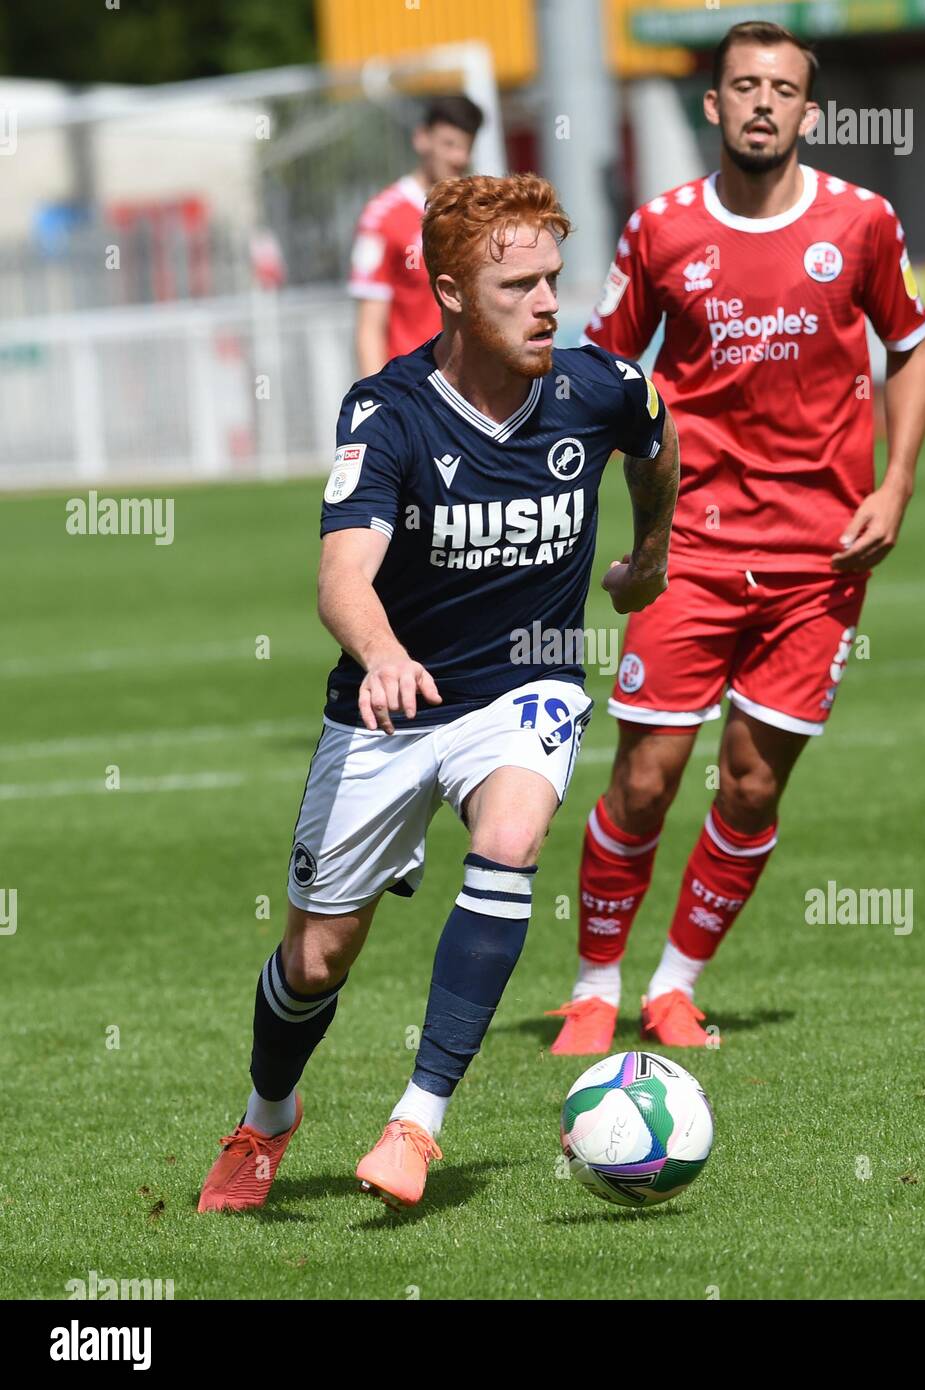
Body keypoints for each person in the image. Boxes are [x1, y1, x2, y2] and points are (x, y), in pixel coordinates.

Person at [198, 173, 680, 1213]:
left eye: (555, 277)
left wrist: (652, 550)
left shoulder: (597, 385)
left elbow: (653, 435)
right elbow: (341, 578)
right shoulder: (391, 412)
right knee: (317, 957)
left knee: (510, 840)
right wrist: (378, 653)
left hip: (529, 681)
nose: (551, 302)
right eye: (520, 285)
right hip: (388, 707)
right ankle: (266, 1118)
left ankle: (419, 1119)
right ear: (453, 291)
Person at [547, 19, 925, 1055]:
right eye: (745, 86)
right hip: (693, 550)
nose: (764, 103)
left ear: (809, 110)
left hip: (822, 558)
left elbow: (913, 346)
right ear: (713, 106)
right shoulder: (663, 229)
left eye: (784, 89)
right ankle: (593, 989)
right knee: (645, 777)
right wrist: (623, 542)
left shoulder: (862, 224)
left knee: (756, 781)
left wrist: (895, 485)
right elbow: (605, 379)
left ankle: (675, 985)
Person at [349, 94, 484, 376]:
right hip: (416, 391)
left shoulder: (481, 212)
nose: (459, 157)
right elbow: (370, 326)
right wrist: (377, 405)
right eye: (449, 144)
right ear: (422, 138)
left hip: (477, 387)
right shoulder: (383, 217)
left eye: (466, 147)